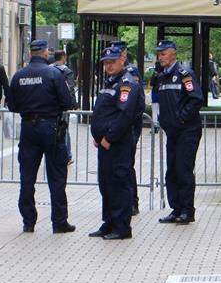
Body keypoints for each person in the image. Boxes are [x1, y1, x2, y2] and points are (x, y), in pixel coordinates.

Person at [5, 39, 76, 234]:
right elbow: (67, 101)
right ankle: (59, 222)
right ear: (46, 53)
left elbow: (12, 106)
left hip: (28, 128)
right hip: (51, 127)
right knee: (56, 176)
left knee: (27, 177)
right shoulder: (53, 73)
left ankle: (29, 222)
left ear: (30, 53)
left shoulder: (18, 76)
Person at [88, 46, 144, 240]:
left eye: (112, 61)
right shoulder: (110, 82)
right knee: (106, 183)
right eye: (106, 62)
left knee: (119, 183)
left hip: (117, 144)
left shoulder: (126, 84)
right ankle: (109, 222)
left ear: (122, 60)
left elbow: (125, 115)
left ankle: (121, 227)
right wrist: (98, 137)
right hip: (104, 144)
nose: (108, 66)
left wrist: (108, 137)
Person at [151, 40, 205, 225]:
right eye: (159, 54)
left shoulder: (184, 74)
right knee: (172, 171)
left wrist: (182, 118)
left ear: (173, 54)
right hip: (172, 132)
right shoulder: (162, 76)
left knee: (183, 170)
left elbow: (196, 99)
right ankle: (176, 208)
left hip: (187, 130)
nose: (160, 57)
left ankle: (187, 210)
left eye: (163, 54)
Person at [111, 41, 144, 216]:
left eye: (118, 54)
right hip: (115, 128)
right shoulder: (112, 76)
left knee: (126, 165)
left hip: (128, 127)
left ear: (123, 55)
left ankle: (132, 202)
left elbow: (136, 104)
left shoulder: (130, 74)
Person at [51, 50, 76, 164]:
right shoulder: (67, 71)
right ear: (63, 57)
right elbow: (70, 89)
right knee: (64, 130)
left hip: (50, 106)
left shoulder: (48, 69)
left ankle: (53, 155)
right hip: (62, 106)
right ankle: (67, 156)